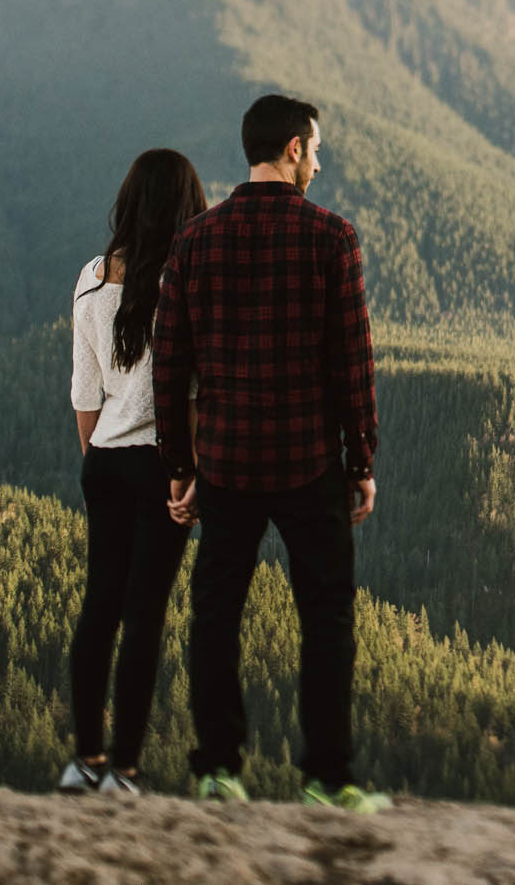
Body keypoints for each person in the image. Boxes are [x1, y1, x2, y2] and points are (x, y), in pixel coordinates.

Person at [153, 94, 387, 813]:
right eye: (315, 149)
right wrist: (361, 462)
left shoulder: (195, 239)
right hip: (309, 461)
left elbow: (170, 363)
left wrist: (181, 467)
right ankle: (327, 777)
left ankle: (218, 769)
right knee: (327, 619)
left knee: (216, 612)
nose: (318, 161)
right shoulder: (331, 237)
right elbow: (353, 362)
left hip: (225, 462)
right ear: (292, 148)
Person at [58, 148, 207, 796]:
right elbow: (192, 393)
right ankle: (124, 769)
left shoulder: (92, 276)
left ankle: (85, 759)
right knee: (144, 616)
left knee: (99, 608)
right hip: (163, 467)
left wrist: (95, 458)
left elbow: (84, 389)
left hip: (107, 463)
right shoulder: (187, 278)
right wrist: (187, 472)